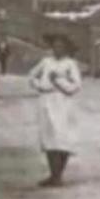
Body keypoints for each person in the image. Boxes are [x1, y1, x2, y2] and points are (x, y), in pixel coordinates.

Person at [28, 33, 83, 187]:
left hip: (63, 103)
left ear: (66, 48)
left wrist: (58, 81)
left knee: (63, 138)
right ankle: (53, 175)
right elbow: (32, 76)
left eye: (61, 47)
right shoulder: (46, 62)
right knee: (49, 138)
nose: (57, 49)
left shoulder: (70, 64)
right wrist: (40, 86)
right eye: (55, 46)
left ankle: (59, 174)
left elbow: (75, 86)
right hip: (47, 102)